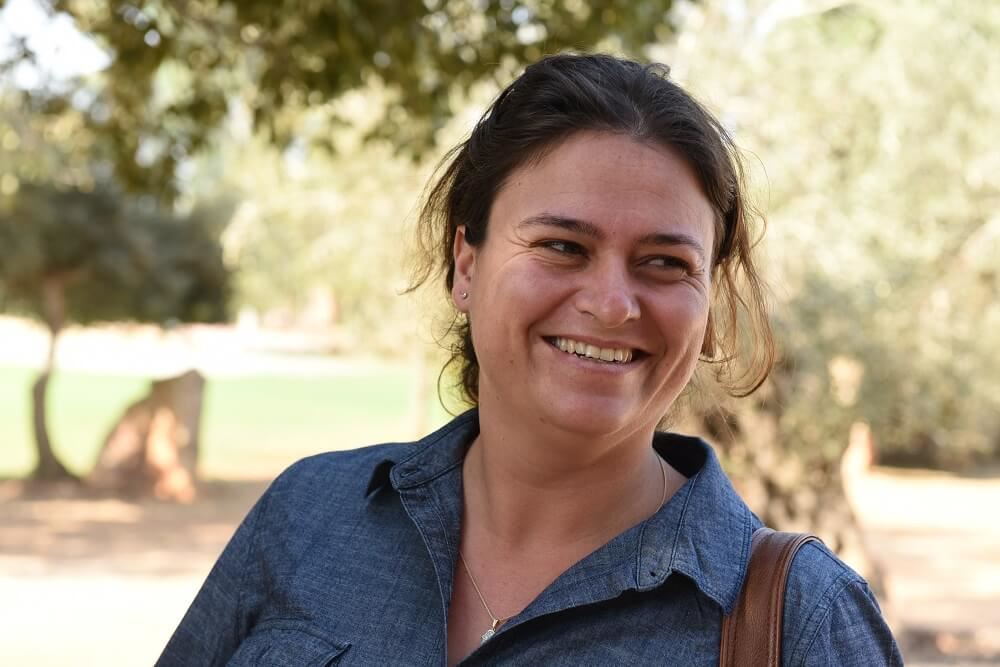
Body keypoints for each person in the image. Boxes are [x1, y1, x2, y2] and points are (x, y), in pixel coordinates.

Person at [157, 53, 902, 666]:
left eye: (666, 262)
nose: (612, 304)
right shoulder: (309, 515)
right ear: (466, 265)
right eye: (562, 246)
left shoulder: (803, 624)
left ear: (708, 306)